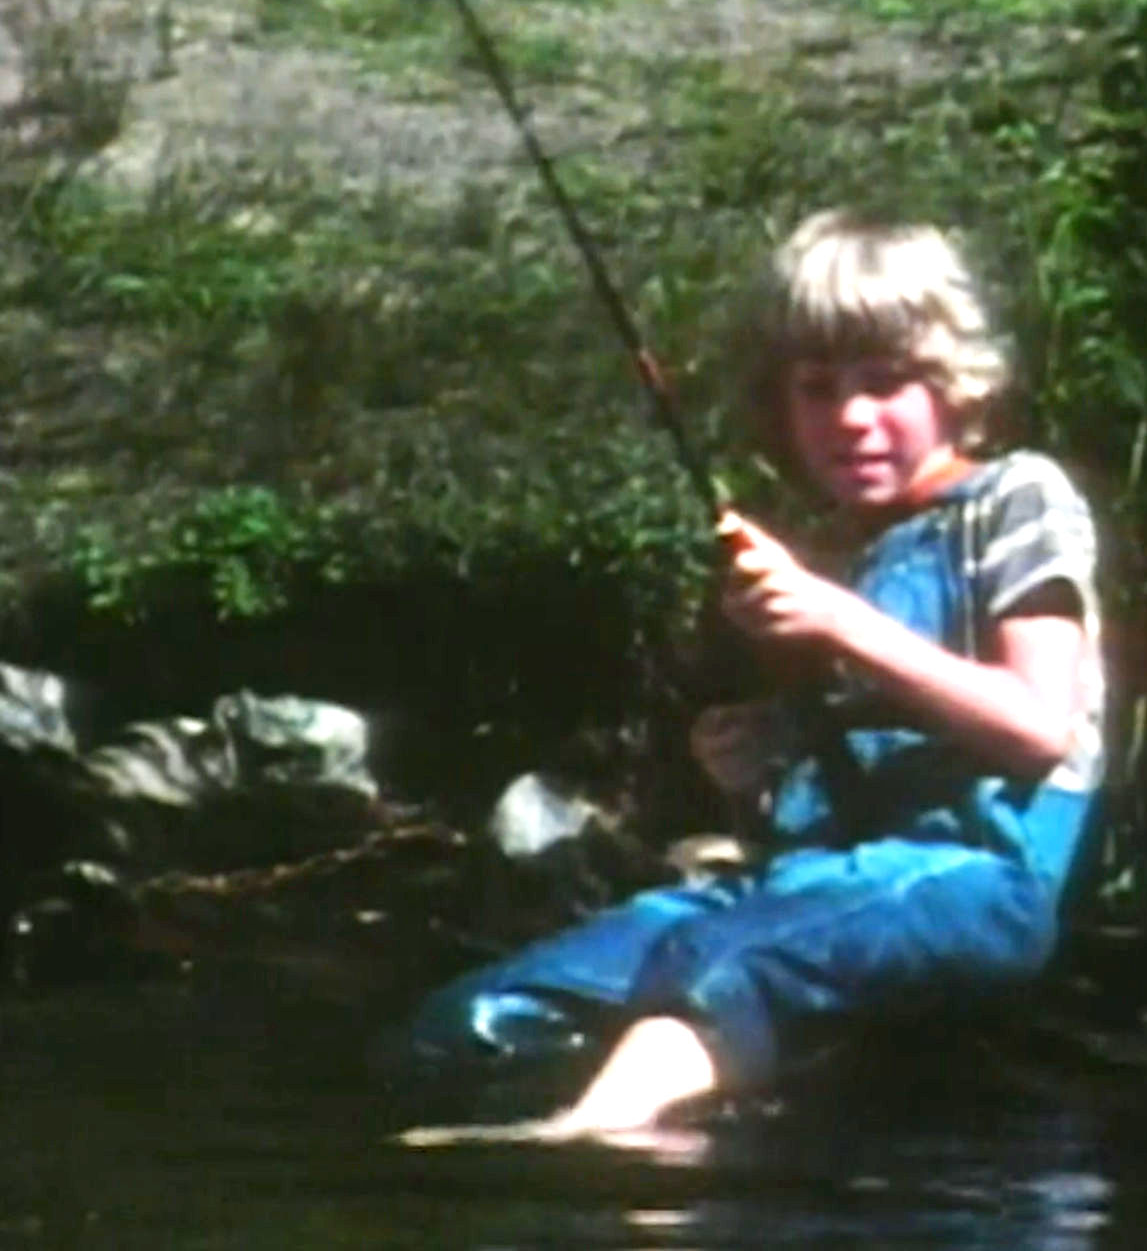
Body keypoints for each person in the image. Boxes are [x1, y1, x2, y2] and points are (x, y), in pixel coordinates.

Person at [396, 208, 1106, 1145]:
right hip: (819, 885)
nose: (851, 416)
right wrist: (752, 769)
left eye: (886, 382)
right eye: (818, 388)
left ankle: (591, 1143)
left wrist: (834, 618)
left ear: (955, 384)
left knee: (728, 961)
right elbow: (818, 814)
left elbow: (1034, 729)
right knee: (466, 1023)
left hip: (976, 882)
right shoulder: (831, 554)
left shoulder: (1014, 498)